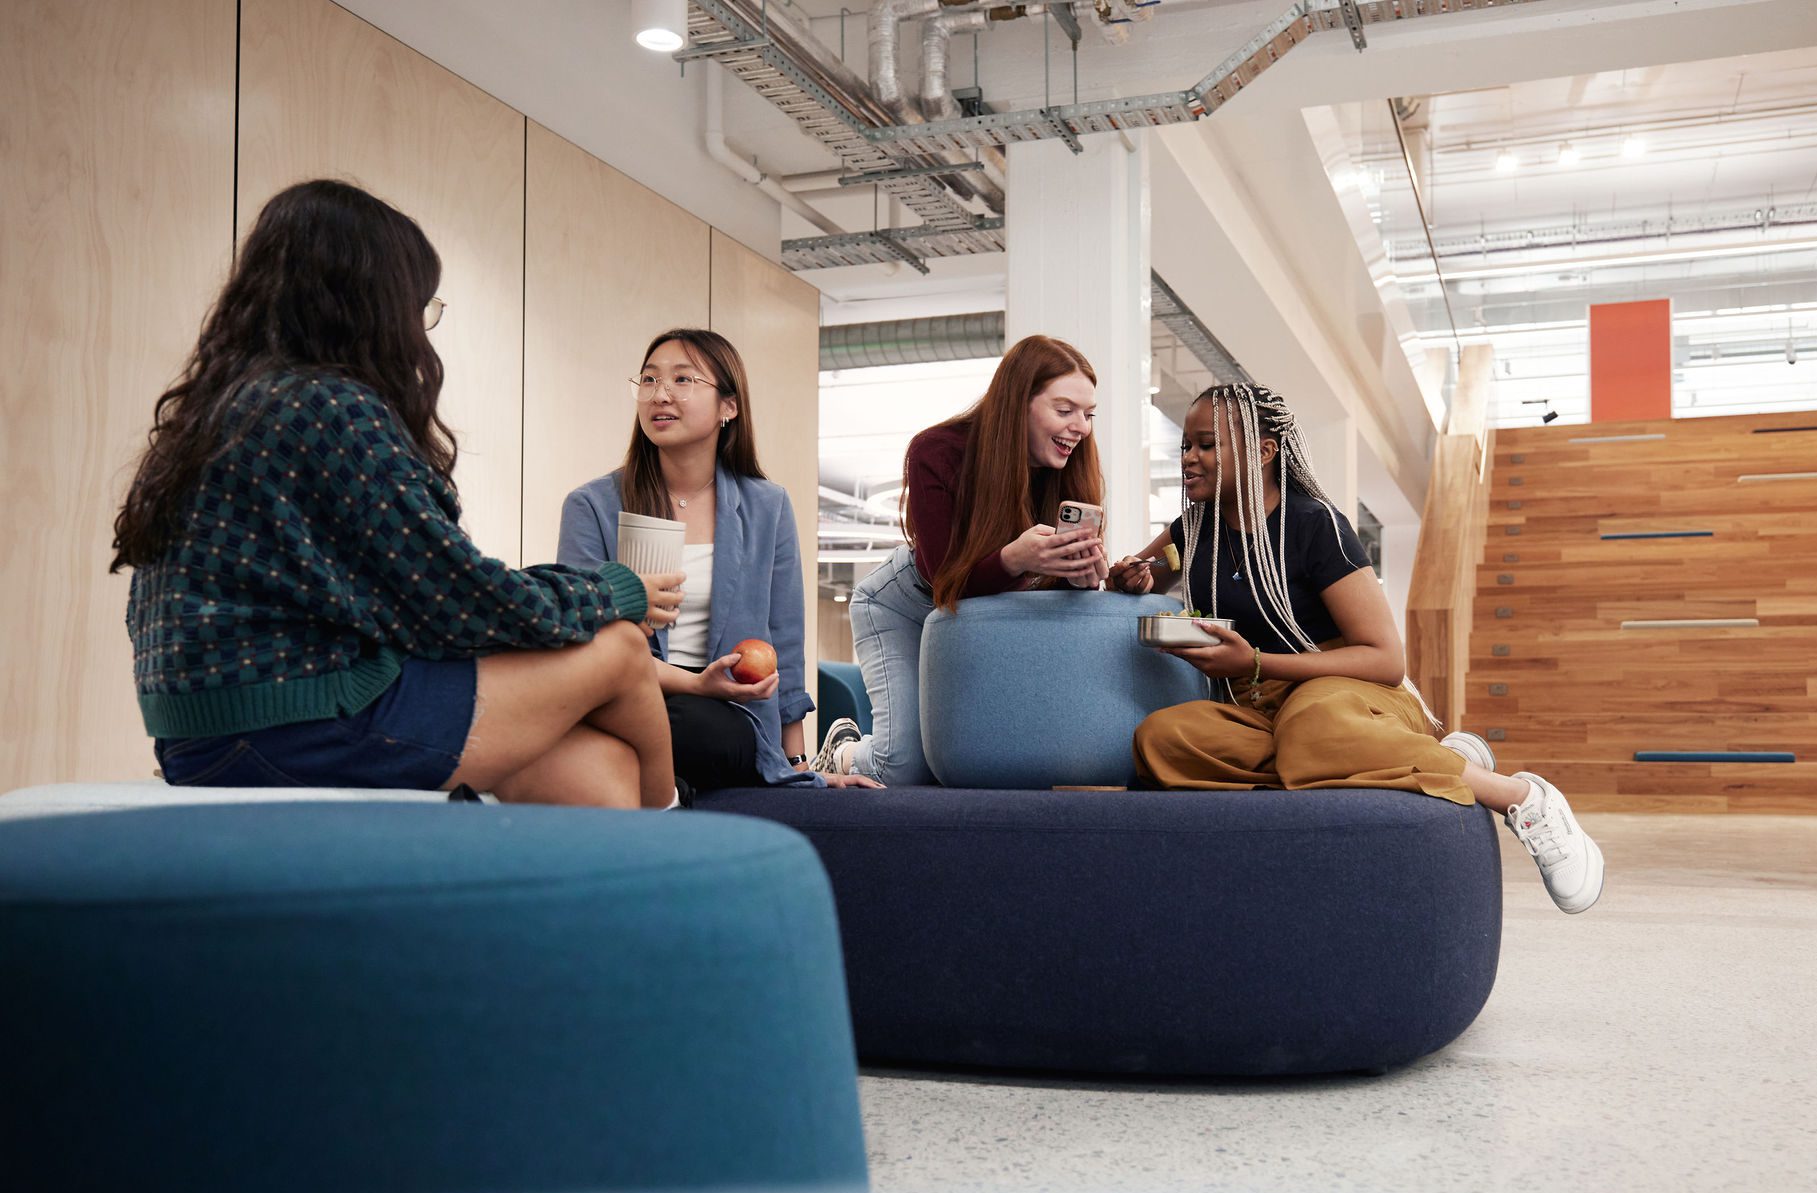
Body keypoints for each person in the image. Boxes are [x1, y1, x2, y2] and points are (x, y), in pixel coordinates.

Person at [113, 179, 683, 809]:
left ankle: (615, 886)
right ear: (374, 305)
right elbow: (460, 603)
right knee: (623, 646)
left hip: (195, 739)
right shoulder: (329, 407)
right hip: (296, 729)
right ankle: (680, 838)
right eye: (419, 307)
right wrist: (615, 590)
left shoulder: (211, 416)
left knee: (592, 765)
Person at [1108, 382, 1605, 913]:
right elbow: (1151, 573)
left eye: (1207, 445)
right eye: (1185, 445)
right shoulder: (1193, 529)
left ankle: (1522, 798)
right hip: (1258, 708)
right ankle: (1404, 757)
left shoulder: (1314, 526)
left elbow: (1386, 660)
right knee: (1162, 739)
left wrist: (1253, 661)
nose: (1189, 458)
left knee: (1314, 730)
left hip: (1344, 689)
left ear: (1264, 452)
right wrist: (1131, 578)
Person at [557, 328, 877, 792]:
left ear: (729, 406)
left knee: (707, 731)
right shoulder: (592, 506)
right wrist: (690, 684)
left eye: (682, 380)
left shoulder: (767, 506)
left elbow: (783, 641)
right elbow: (582, 638)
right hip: (626, 693)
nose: (660, 394)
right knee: (649, 721)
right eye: (648, 380)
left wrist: (797, 764)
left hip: (727, 712)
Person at [813, 335, 1111, 784]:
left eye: (1088, 415)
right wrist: (1015, 558)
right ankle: (844, 752)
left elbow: (1048, 596)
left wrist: (1083, 573)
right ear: (1017, 403)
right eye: (1064, 410)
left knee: (971, 755)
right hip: (904, 607)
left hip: (980, 622)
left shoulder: (1070, 468)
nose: (1081, 427)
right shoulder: (937, 451)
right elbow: (941, 580)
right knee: (904, 767)